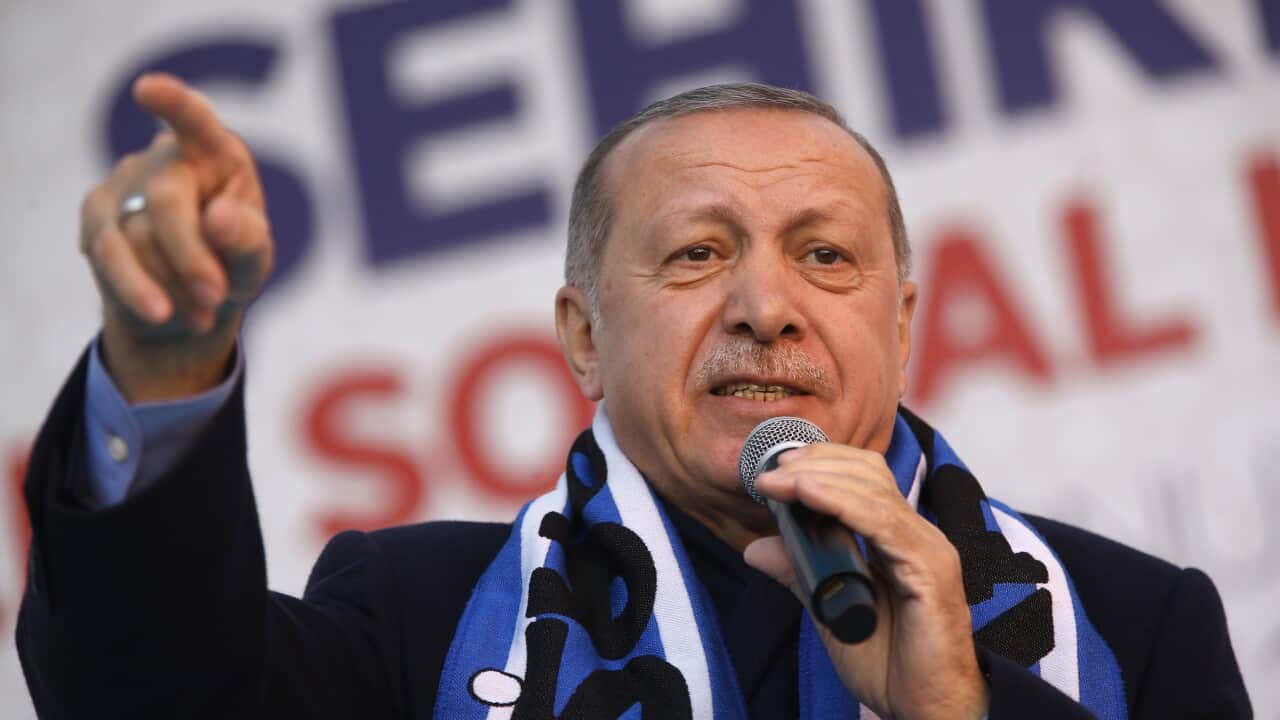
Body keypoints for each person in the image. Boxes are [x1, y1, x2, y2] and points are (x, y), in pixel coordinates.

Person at [17, 74, 1249, 719]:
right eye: (697, 253)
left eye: (825, 256)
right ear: (583, 339)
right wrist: (166, 362)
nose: (765, 307)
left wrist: (960, 713)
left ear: (903, 320)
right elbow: (149, 699)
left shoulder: (1136, 628)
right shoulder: (413, 624)